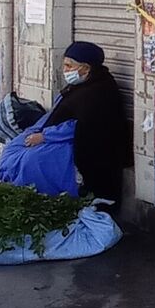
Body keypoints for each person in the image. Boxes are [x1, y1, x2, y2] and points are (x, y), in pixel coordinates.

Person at [15, 42, 130, 205]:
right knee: (18, 149)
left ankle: (50, 198)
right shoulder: (81, 86)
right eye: (65, 65)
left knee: (33, 160)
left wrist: (45, 136)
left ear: (85, 69)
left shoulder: (98, 92)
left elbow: (82, 127)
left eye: (69, 66)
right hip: (64, 138)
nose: (65, 70)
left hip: (88, 148)